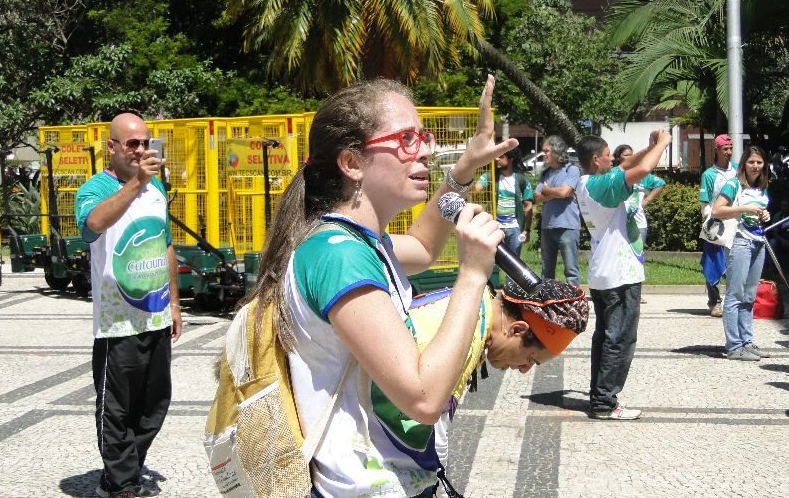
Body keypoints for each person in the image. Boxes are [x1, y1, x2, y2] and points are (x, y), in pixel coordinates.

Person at [245, 75, 516, 498]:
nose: (425, 150)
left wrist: (463, 169)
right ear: (352, 163)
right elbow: (423, 399)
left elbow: (424, 247)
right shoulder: (339, 256)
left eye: (423, 137)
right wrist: (472, 275)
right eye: (406, 139)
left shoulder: (358, 243)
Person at [75, 113, 182, 498]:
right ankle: (122, 485)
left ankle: (120, 475)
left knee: (153, 406)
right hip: (117, 324)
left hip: (155, 315)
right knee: (116, 409)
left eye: (145, 143)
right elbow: (93, 224)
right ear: (112, 147)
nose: (140, 150)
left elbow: (165, 243)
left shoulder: (157, 189)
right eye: (132, 143)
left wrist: (174, 302)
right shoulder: (95, 188)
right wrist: (137, 183)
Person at [408, 280, 587, 480]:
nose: (524, 370)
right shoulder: (462, 343)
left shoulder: (472, 303)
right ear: (517, 330)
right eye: (530, 359)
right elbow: (430, 444)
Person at [576, 130, 672, 420]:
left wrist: (650, 146)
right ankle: (605, 403)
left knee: (606, 338)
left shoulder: (589, 182)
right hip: (619, 274)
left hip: (605, 271)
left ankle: (599, 396)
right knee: (619, 339)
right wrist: (663, 144)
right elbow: (642, 170)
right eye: (608, 155)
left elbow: (627, 165)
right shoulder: (602, 185)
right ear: (596, 159)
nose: (614, 160)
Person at [711, 145, 771, 361]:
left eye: (759, 162)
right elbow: (717, 210)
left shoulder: (762, 187)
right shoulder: (734, 184)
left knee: (749, 296)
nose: (755, 166)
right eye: (751, 162)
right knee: (735, 294)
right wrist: (745, 209)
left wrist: (765, 215)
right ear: (744, 163)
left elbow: (760, 211)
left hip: (758, 242)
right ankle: (734, 346)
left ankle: (747, 341)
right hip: (739, 242)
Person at [613, 143, 666, 304]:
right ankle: (617, 291)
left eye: (631, 154)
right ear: (618, 158)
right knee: (618, 257)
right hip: (619, 223)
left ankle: (635, 293)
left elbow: (660, 183)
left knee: (636, 259)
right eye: (626, 155)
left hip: (638, 223)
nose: (630, 157)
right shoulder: (615, 174)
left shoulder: (640, 174)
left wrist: (647, 200)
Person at [534, 135, 581, 287]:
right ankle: (548, 296)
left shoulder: (571, 169)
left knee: (571, 269)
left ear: (556, 150)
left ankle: (574, 297)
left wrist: (546, 189)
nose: (543, 154)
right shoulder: (545, 173)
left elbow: (563, 192)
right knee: (547, 270)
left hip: (568, 226)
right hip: (547, 227)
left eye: (546, 151)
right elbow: (537, 197)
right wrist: (557, 193)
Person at [699, 135, 738, 317]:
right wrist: (711, 230)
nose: (729, 152)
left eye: (731, 148)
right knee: (713, 264)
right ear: (716, 150)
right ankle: (714, 303)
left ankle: (736, 302)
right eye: (725, 149)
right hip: (717, 225)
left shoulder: (738, 170)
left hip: (737, 223)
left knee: (736, 263)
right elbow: (705, 204)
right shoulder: (709, 175)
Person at [474, 148, 533, 256]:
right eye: (496, 156)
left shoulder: (522, 180)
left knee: (513, 261)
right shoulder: (490, 176)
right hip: (494, 227)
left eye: (501, 157)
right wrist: (466, 175)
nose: (497, 159)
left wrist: (527, 230)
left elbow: (528, 206)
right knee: (491, 258)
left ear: (511, 159)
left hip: (514, 228)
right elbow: (475, 189)